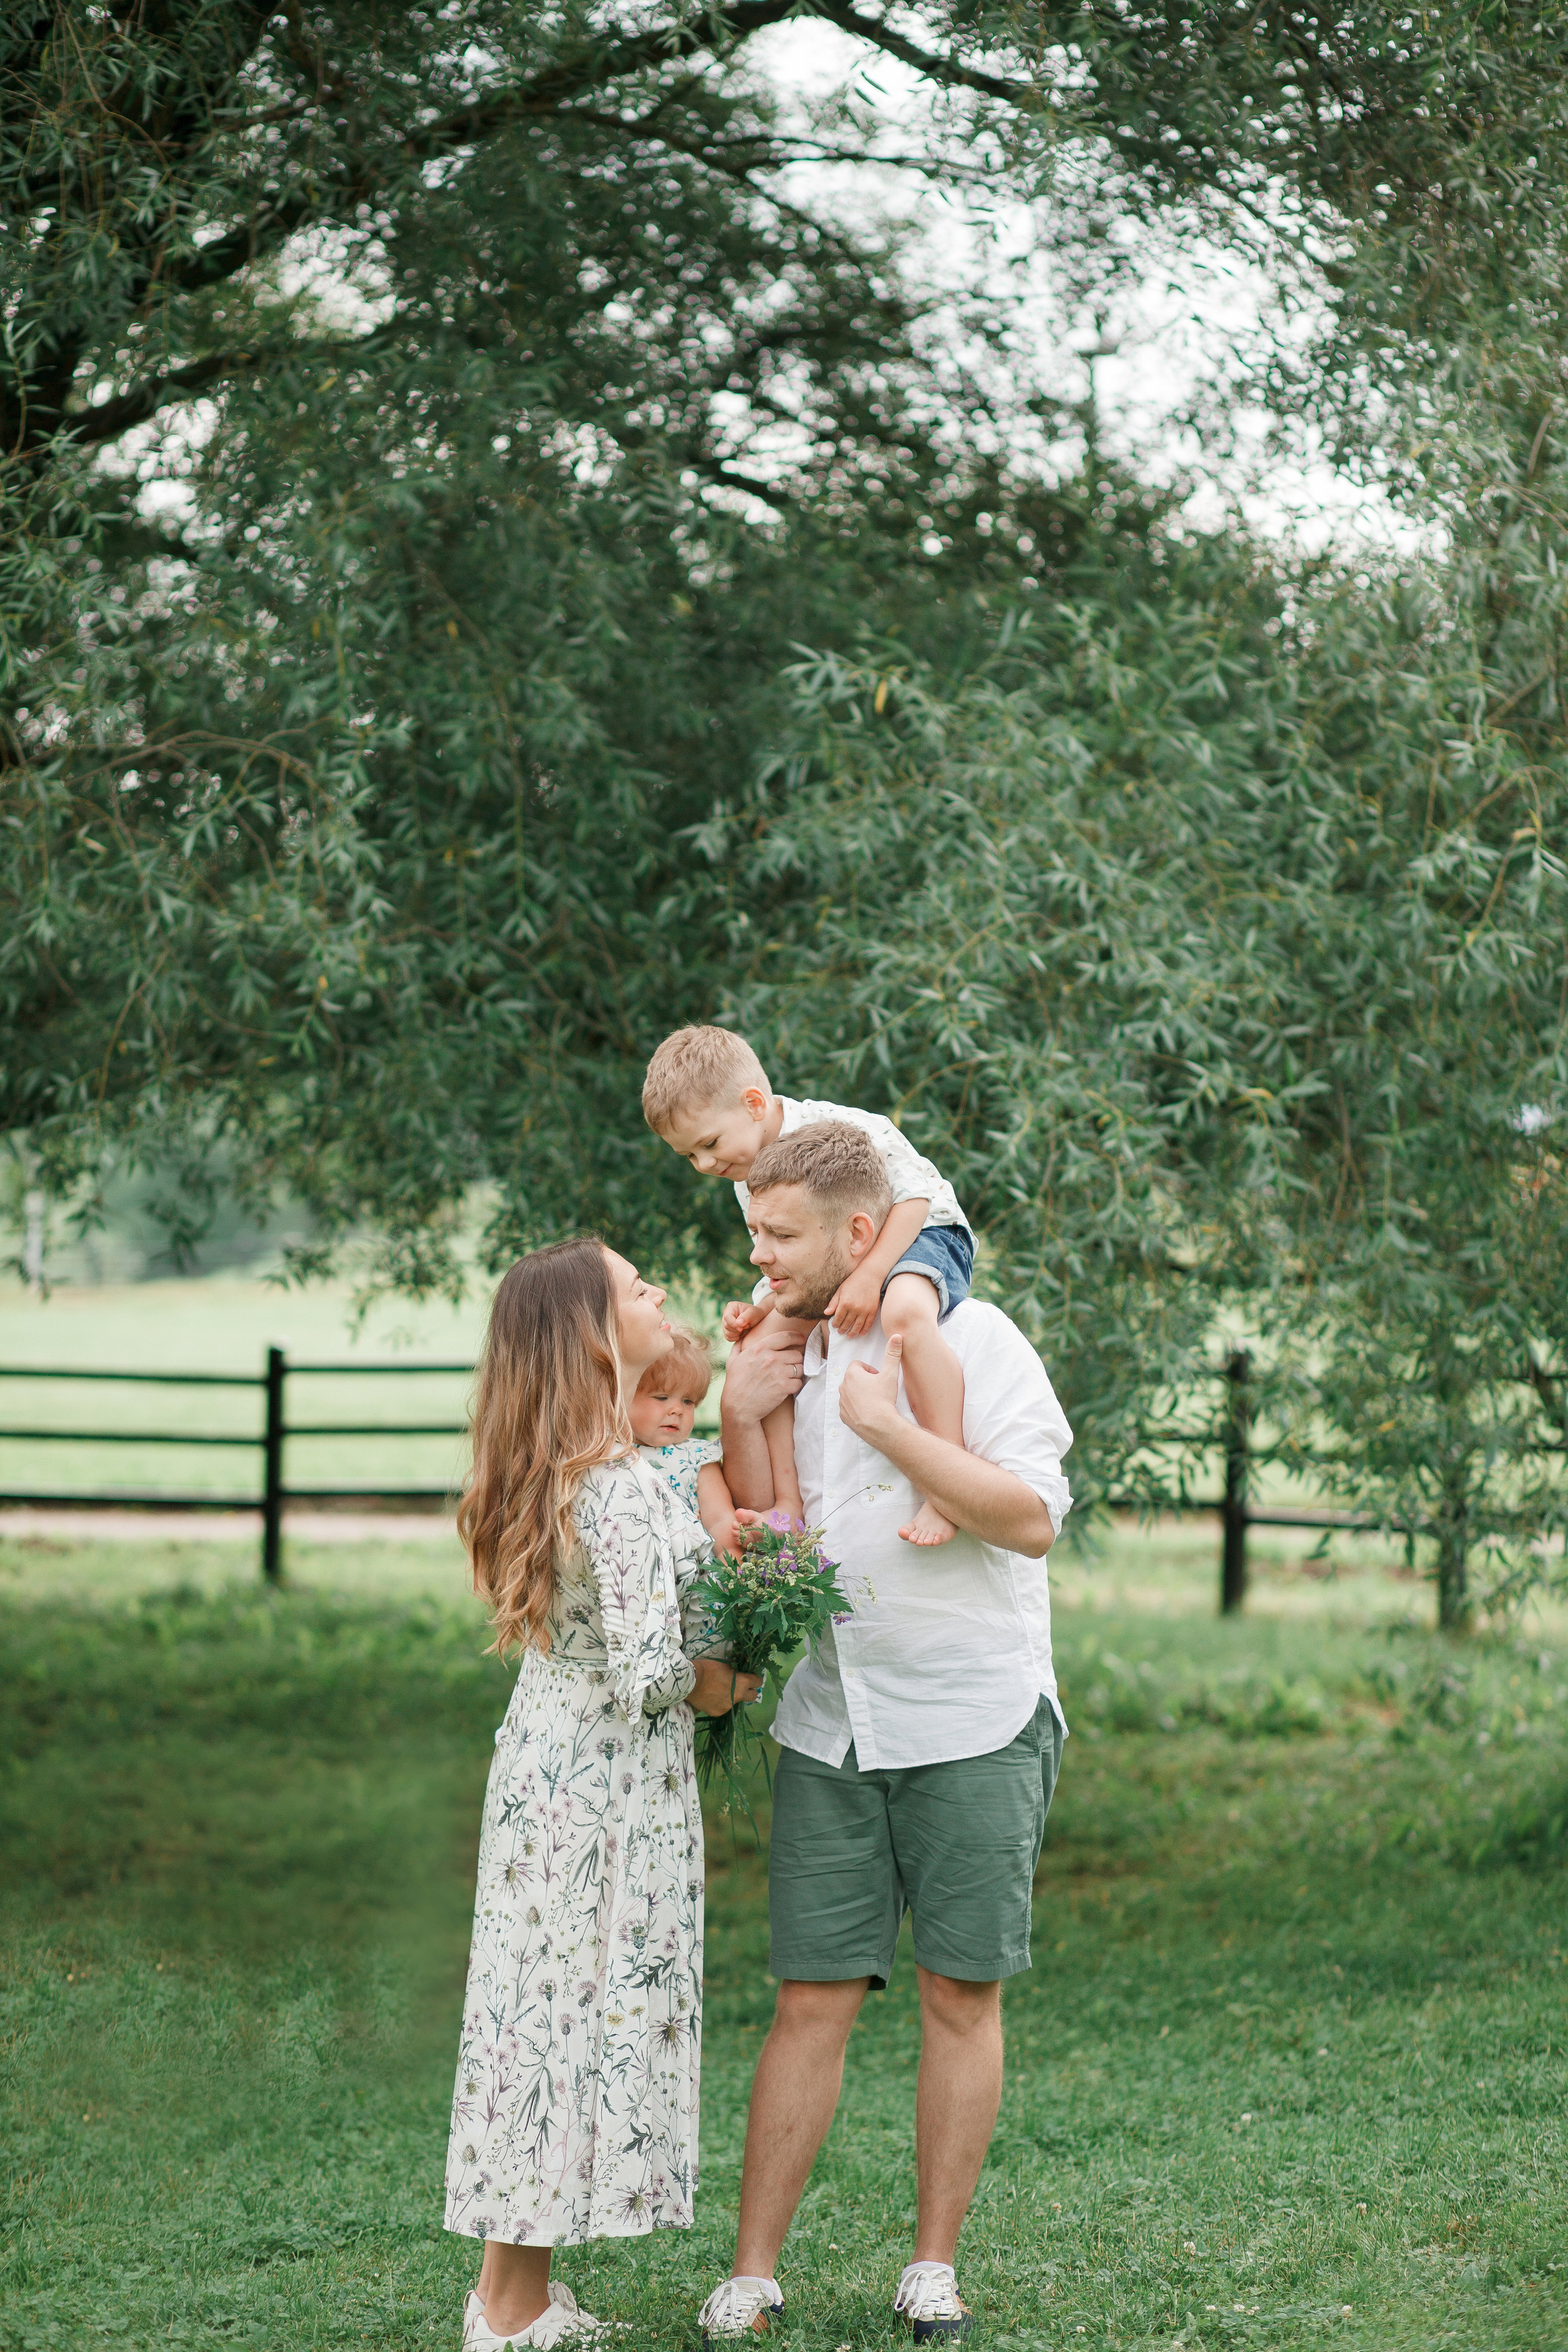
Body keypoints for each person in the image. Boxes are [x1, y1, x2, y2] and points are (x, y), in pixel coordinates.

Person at [696, 1122, 1072, 2348]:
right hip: (830, 1726)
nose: (759, 1256)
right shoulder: (781, 1352)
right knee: (808, 2000)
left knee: (959, 1995)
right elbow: (774, 1532)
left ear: (860, 1234)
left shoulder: (973, 1339)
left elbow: (1029, 1520)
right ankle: (751, 2276)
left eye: (780, 1235)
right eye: (753, 1232)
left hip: (973, 1716)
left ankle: (932, 2268)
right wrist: (743, 1409)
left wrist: (894, 1432)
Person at [443, 1237, 762, 2352]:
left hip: (547, 1760)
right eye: (634, 1287)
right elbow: (647, 1673)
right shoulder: (618, 1486)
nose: (656, 1290)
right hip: (603, 1788)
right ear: (590, 1335)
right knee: (560, 2020)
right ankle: (511, 2313)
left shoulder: (569, 1464)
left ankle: (512, 2291)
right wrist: (719, 1683)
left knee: (533, 2014)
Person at [643, 1023, 975, 1547]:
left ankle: (947, 1481)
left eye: (709, 1144)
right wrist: (763, 1307)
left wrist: (870, 1276)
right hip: (847, 1256)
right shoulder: (745, 1169)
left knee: (905, 1312)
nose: (705, 1164)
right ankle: (789, 1504)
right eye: (689, 1156)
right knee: (760, 1346)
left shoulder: (837, 1127)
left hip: (923, 1233)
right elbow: (789, 1257)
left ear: (754, 1104)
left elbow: (916, 1198)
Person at [628, 1321, 741, 1562]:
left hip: (691, 1577)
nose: (677, 1410)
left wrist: (732, 1561)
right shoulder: (610, 1453)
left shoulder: (697, 1458)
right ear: (624, 1395)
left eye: (688, 1401)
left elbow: (720, 1519)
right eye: (662, 1397)